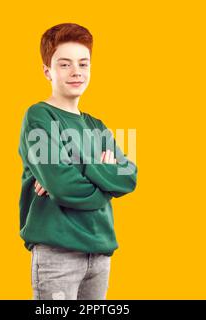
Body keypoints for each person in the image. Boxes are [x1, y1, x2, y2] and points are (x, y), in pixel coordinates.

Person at [18, 23, 138, 300]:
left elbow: (129, 177)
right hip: (58, 253)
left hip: (100, 253)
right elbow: (62, 185)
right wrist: (103, 182)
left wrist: (76, 167)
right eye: (64, 64)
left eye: (83, 63)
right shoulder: (39, 117)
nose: (76, 72)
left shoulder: (97, 125)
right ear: (47, 70)